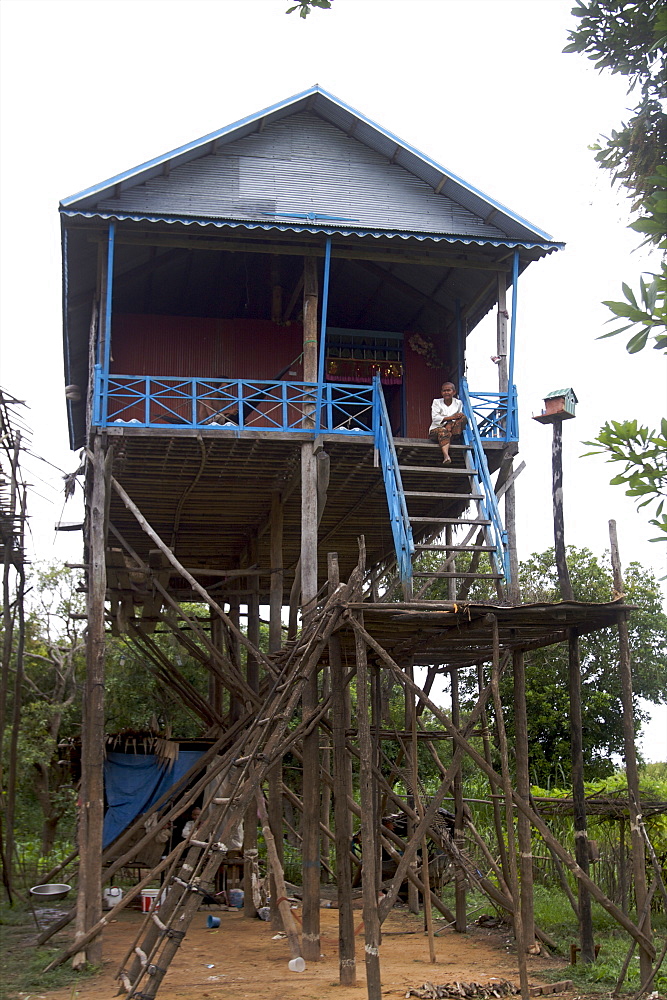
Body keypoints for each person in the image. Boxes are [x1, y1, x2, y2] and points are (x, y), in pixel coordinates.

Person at [428, 382, 467, 464]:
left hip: (451, 429)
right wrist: (451, 418)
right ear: (441, 392)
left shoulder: (458, 403)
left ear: (454, 392)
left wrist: (450, 423)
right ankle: (446, 456)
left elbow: (459, 416)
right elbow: (435, 418)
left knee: (463, 417)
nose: (446, 393)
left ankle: (453, 435)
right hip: (436, 429)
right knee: (443, 431)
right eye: (444, 391)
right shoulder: (436, 402)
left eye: (448, 390)